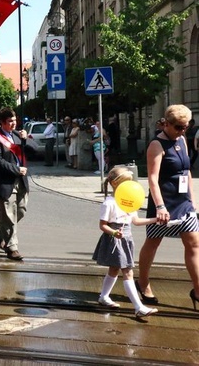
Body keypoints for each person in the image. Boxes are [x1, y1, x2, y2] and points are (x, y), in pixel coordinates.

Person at [137, 104, 199, 310]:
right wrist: (160, 206)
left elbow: (186, 170)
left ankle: (198, 291)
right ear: (167, 124)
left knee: (194, 244)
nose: (183, 131)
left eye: (186, 127)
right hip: (163, 202)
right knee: (153, 242)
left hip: (183, 202)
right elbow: (152, 180)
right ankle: (143, 283)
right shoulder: (157, 145)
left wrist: (191, 198)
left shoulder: (181, 140)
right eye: (179, 127)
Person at [93, 166, 158, 318]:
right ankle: (138, 307)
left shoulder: (129, 201)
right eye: (125, 183)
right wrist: (114, 232)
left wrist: (155, 220)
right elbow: (102, 225)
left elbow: (135, 221)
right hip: (115, 240)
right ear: (115, 184)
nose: (129, 186)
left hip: (126, 239)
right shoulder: (109, 203)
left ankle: (103, 297)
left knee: (114, 269)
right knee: (128, 271)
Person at [0, 107, 28, 261]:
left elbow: (34, 149)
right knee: (9, 216)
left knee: (21, 211)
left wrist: (25, 139)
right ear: (2, 123)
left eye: (15, 120)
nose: (13, 123)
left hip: (20, 181)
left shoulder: (17, 135)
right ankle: (12, 247)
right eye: (10, 121)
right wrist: (16, 169)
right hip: (4, 183)